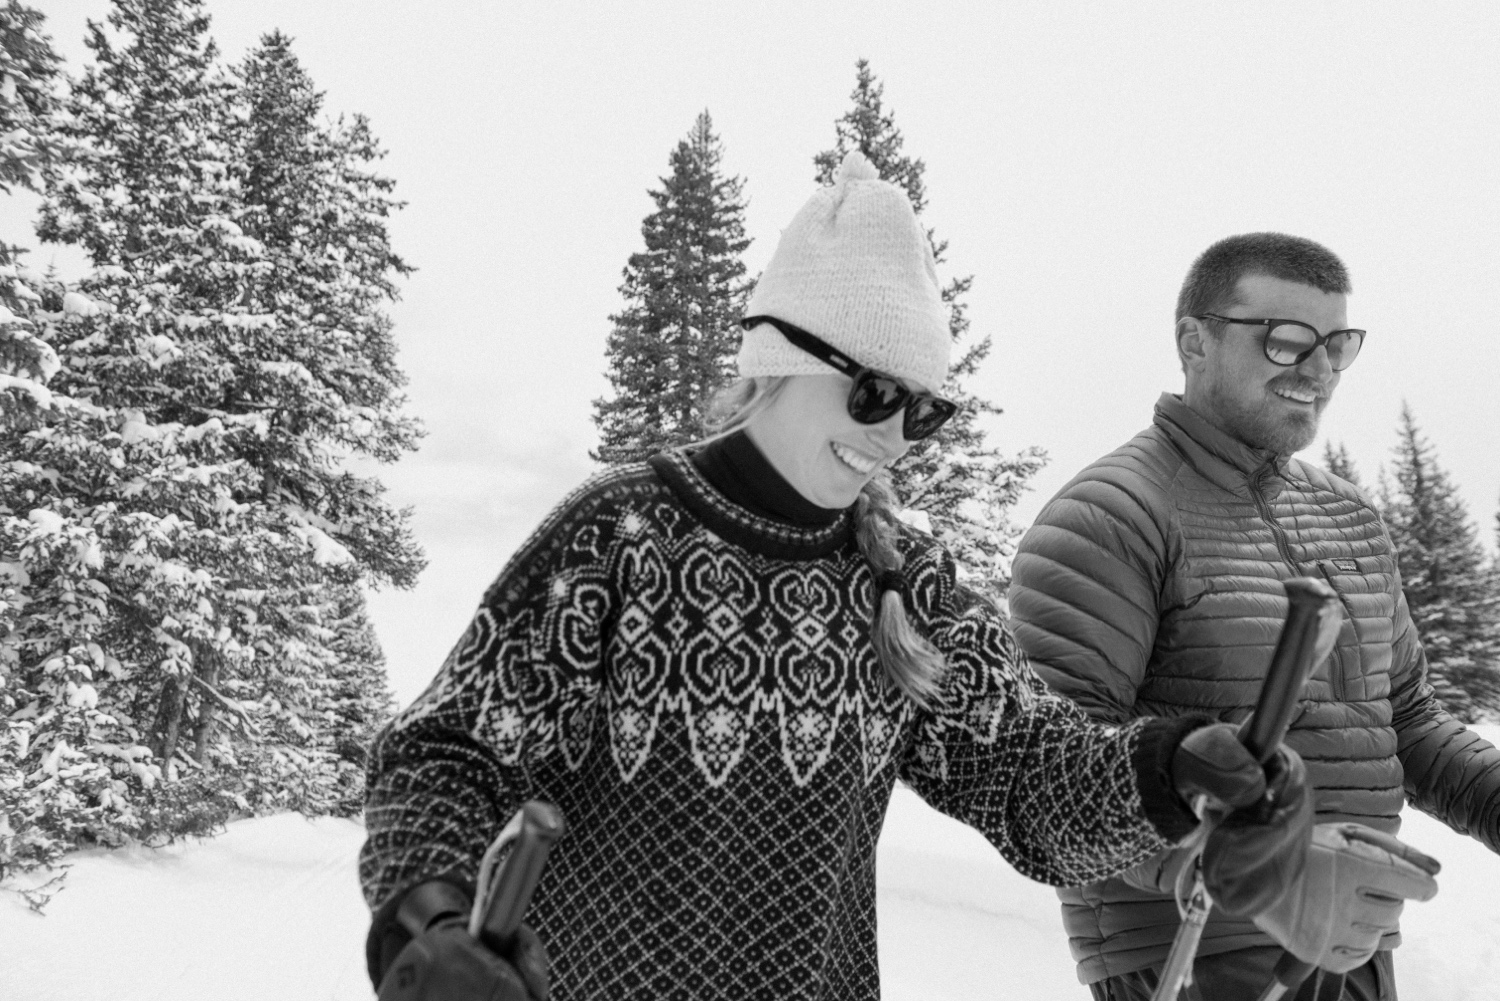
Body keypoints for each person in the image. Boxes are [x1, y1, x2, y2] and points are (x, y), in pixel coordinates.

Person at [358, 168, 1404, 1001]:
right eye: (872, 393)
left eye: (923, 411)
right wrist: (429, 919)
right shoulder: (619, 535)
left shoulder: (903, 575)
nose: (892, 436)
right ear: (780, 355)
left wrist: (1167, 765)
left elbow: (1023, 776)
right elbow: (445, 751)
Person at [1008, 232, 1497, 1000]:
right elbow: (1050, 775)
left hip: (1350, 947)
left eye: (1338, 344)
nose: (1320, 370)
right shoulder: (1109, 518)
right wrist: (1224, 869)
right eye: (1287, 341)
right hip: (1193, 954)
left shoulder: (1352, 520)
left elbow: (1407, 720)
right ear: (1193, 340)